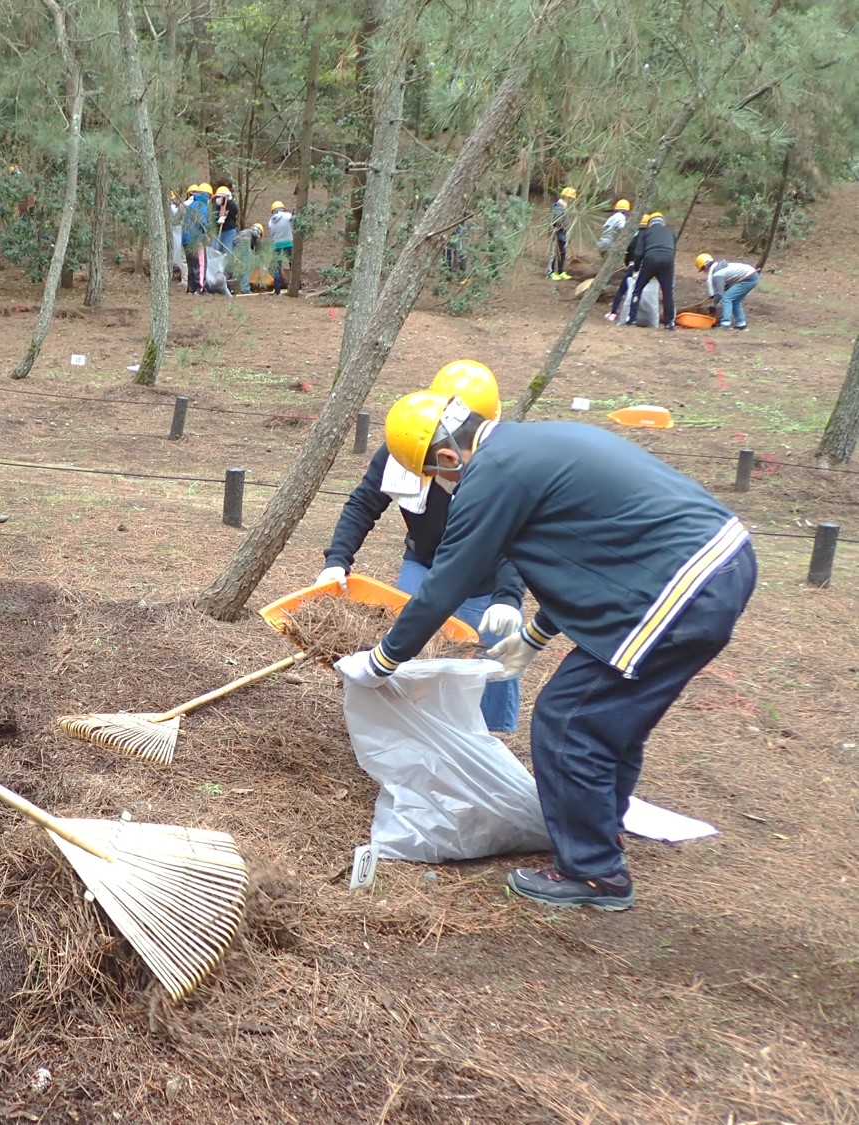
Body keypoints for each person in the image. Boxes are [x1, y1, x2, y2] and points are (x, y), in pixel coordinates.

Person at [349, 390, 755, 911]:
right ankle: (599, 834)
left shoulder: (492, 474)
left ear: (448, 458)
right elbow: (586, 556)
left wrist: (384, 659)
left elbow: (449, 578)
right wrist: (535, 636)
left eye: (438, 475)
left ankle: (593, 874)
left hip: (681, 582)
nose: (445, 487)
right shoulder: (531, 445)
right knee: (606, 718)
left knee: (570, 720)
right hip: (709, 566)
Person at [316, 361, 523, 733]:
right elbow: (364, 503)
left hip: (486, 579)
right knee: (410, 647)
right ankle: (411, 724)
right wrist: (337, 560)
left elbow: (517, 535)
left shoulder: (505, 462)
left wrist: (507, 595)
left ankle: (489, 737)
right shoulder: (409, 442)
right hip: (425, 563)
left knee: (490, 662)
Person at [626, 211, 676, 330]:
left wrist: (637, 268)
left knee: (637, 289)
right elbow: (673, 251)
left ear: (650, 223)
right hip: (668, 260)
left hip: (651, 259)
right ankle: (669, 322)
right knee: (667, 292)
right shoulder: (671, 233)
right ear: (663, 222)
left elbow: (638, 253)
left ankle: (632, 318)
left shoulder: (645, 232)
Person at [696, 253, 760, 330]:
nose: (704, 271)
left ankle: (726, 323)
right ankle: (741, 324)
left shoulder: (717, 273)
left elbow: (719, 293)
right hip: (752, 277)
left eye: (702, 269)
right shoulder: (718, 268)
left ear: (705, 266)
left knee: (726, 298)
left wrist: (714, 304)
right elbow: (723, 287)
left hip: (748, 278)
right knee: (735, 301)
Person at [606, 213, 650, 322]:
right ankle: (638, 315)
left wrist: (627, 263)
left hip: (632, 266)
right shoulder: (650, 239)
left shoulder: (634, 237)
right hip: (645, 268)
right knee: (641, 291)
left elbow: (628, 251)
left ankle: (613, 312)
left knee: (622, 290)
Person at [181, 184, 211, 294]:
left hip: (186, 239)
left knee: (191, 265)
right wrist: (207, 230)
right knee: (201, 264)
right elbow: (203, 222)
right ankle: (200, 288)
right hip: (196, 240)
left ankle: (191, 288)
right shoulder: (202, 206)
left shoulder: (191, 205)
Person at [548, 186, 576, 279]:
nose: (572, 201)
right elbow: (556, 221)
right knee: (554, 253)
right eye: (571, 199)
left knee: (562, 253)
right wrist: (563, 227)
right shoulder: (558, 206)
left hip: (563, 235)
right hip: (556, 233)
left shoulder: (566, 207)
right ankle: (551, 272)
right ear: (566, 197)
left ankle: (560, 272)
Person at [268, 200, 294, 295]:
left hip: (276, 246)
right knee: (293, 266)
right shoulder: (287, 215)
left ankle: (277, 290)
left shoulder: (270, 222)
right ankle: (297, 286)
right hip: (289, 244)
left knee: (277, 268)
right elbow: (294, 219)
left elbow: (272, 235)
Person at [231, 221, 263, 294]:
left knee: (241, 266)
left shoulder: (246, 232)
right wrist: (257, 257)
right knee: (248, 266)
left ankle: (238, 286)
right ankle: (245, 288)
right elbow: (258, 248)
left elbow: (251, 246)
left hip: (235, 242)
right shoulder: (256, 234)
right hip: (243, 243)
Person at [211, 185, 239, 255]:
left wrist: (230, 201)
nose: (218, 199)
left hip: (229, 232)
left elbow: (234, 211)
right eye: (217, 197)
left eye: (219, 197)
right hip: (217, 233)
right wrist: (218, 220)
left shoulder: (230, 205)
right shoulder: (215, 207)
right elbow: (213, 217)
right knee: (214, 251)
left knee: (228, 252)